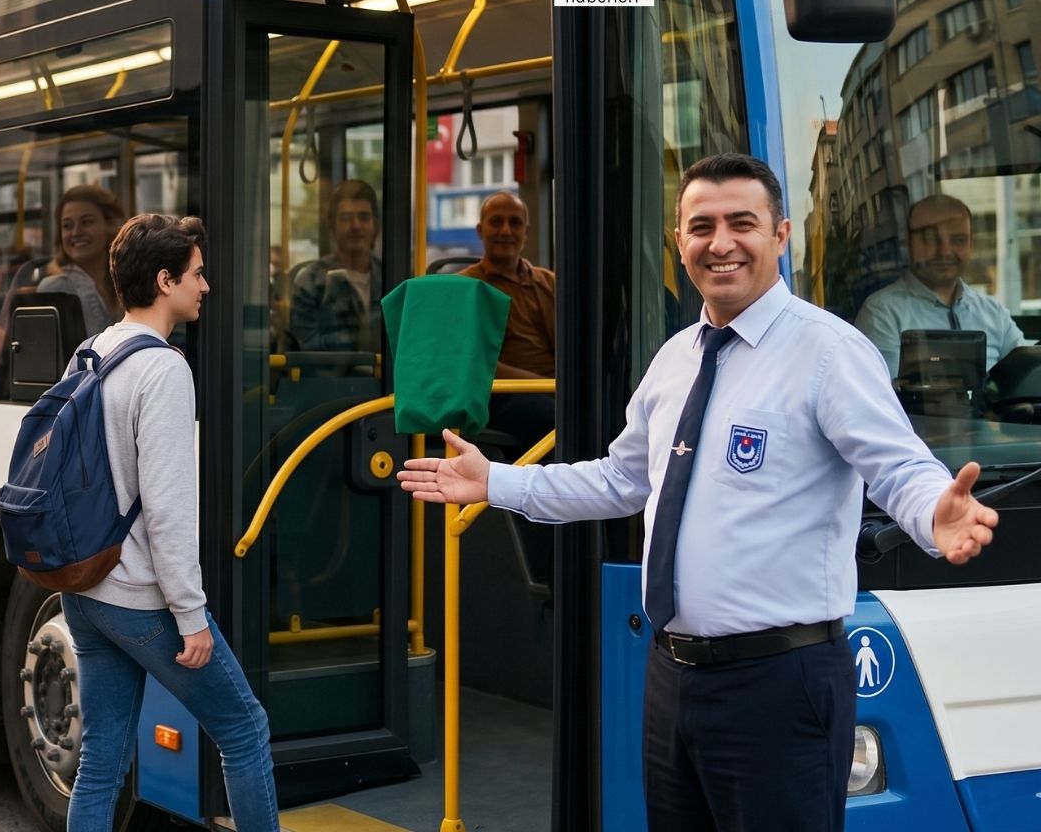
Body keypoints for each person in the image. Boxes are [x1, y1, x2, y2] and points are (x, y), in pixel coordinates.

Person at [399, 153, 998, 831]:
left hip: (780, 681)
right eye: (700, 225)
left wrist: (932, 513)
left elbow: (898, 468)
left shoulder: (827, 352)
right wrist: (496, 482)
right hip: (673, 676)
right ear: (678, 242)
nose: (720, 243)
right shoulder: (675, 358)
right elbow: (621, 478)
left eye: (742, 223)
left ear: (781, 235)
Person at [63, 213, 279, 832]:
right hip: (142, 600)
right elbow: (167, 509)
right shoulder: (163, 369)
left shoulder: (93, 351)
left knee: (102, 756)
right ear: (164, 281)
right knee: (244, 730)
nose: (206, 286)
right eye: (197, 274)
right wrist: (190, 615)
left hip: (87, 590)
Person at [854, 194, 1028, 377]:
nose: (944, 251)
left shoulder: (993, 312)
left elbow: (1028, 372)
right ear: (908, 242)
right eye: (930, 239)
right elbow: (887, 398)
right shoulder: (881, 314)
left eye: (958, 240)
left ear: (971, 244)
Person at [457, 191, 558, 452]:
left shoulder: (549, 282)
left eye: (514, 223)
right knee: (563, 419)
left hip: (554, 389)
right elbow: (480, 365)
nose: (505, 230)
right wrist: (547, 387)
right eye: (496, 222)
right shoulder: (465, 288)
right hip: (498, 396)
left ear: (527, 231)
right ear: (480, 230)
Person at [289, 179, 384, 354]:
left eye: (364, 217)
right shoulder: (309, 282)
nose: (356, 226)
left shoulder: (392, 277)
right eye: (346, 218)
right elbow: (307, 346)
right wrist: (361, 340)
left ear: (375, 226)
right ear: (332, 227)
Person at [37, 183, 128, 337]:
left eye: (86, 222)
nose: (76, 232)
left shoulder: (127, 280)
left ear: (110, 226)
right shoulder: (56, 287)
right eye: (67, 225)